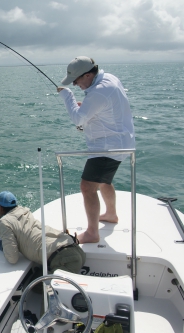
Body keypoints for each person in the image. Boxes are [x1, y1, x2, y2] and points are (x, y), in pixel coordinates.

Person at [57, 56, 135, 244]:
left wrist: (68, 96)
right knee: (104, 182)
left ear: (89, 75)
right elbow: (105, 108)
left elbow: (78, 119)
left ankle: (92, 233)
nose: (75, 84)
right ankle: (111, 214)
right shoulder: (109, 79)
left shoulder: (99, 91)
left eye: (76, 80)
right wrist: (87, 109)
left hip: (108, 147)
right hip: (120, 142)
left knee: (87, 187)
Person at [0, 191, 86, 274]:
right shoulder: (23, 211)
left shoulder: (4, 223)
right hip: (75, 250)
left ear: (1, 208)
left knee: (40, 290)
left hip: (63, 261)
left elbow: (12, 258)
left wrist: (4, 247)